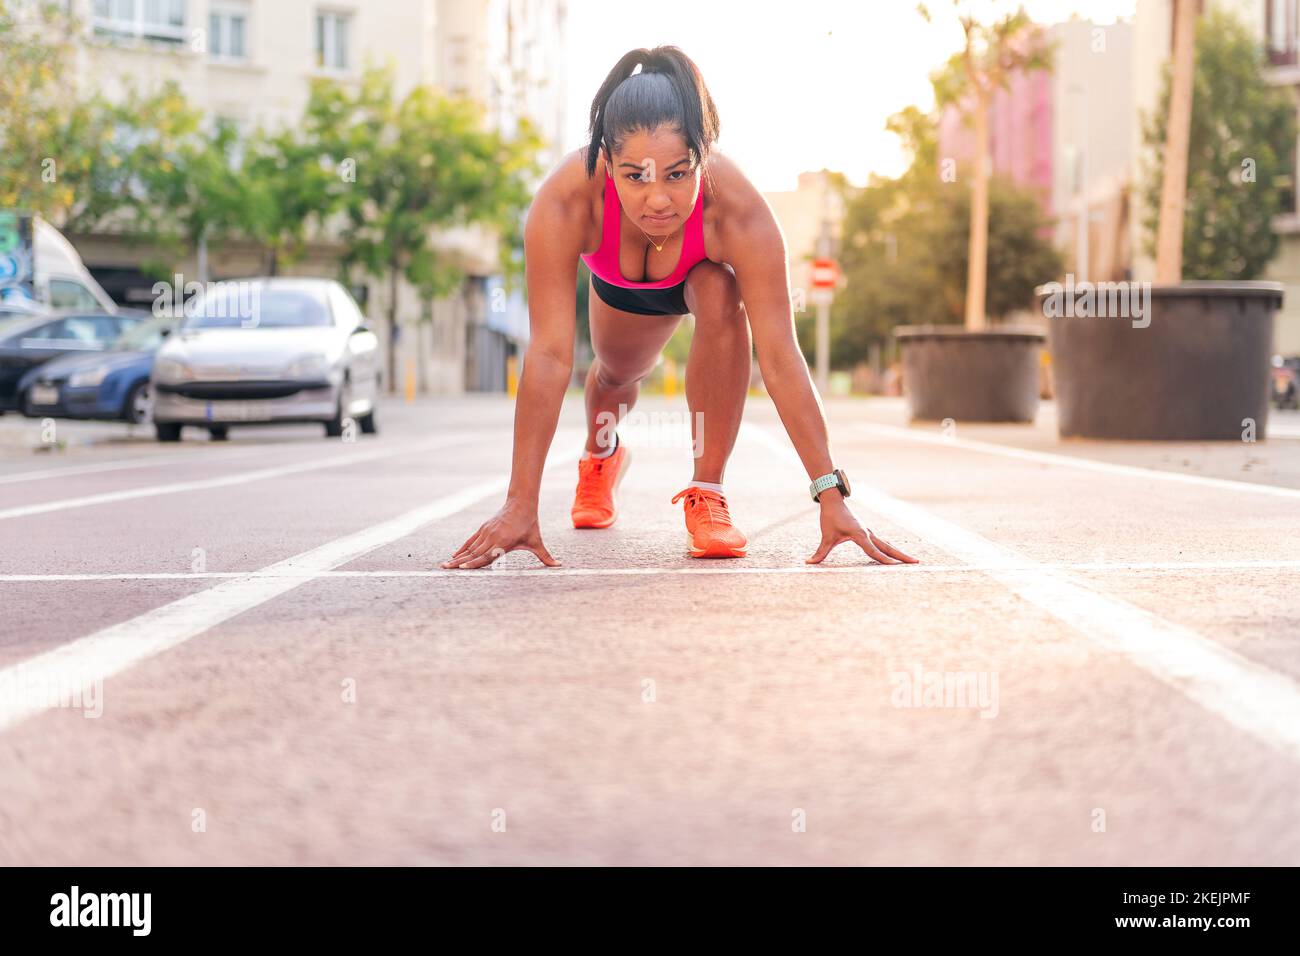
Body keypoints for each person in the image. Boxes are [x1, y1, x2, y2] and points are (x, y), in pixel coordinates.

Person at [441, 45, 917, 570]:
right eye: (635, 176)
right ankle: (602, 456)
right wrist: (520, 504)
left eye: (677, 173)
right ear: (606, 160)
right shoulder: (565, 201)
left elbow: (781, 357)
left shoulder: (738, 211)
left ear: (702, 155)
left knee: (719, 290)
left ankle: (707, 492)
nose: (659, 200)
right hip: (617, 288)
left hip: (694, 279)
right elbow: (551, 355)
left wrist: (832, 496)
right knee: (616, 380)